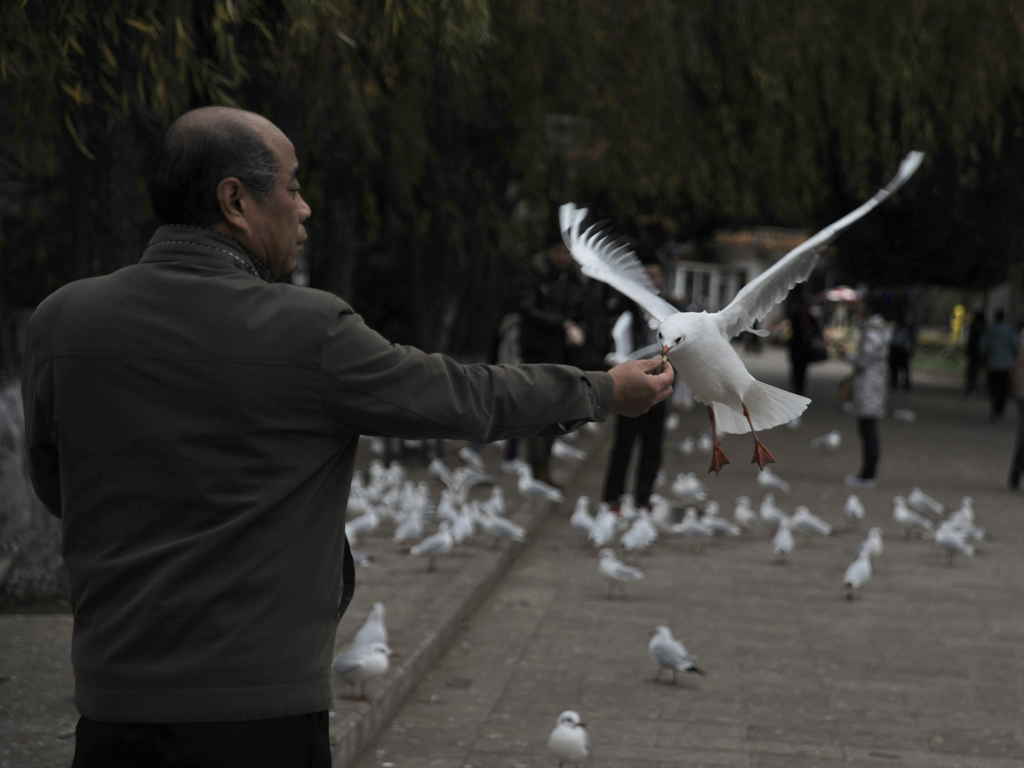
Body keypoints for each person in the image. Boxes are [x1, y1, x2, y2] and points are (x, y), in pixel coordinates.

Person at [20, 107, 675, 768]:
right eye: (294, 187)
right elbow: (461, 395)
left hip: (115, 708)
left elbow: (59, 484)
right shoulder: (308, 331)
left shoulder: (62, 322)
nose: (305, 210)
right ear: (234, 200)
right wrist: (599, 389)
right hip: (260, 710)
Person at [517, 230, 590, 488]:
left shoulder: (575, 278)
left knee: (554, 413)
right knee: (536, 412)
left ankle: (544, 469)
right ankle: (535, 468)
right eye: (559, 251)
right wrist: (563, 323)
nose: (563, 257)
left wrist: (577, 330)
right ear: (549, 251)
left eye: (567, 252)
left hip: (562, 355)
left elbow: (583, 310)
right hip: (536, 353)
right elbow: (527, 309)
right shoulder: (535, 273)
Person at [602, 258, 671, 511]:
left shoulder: (669, 308)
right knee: (624, 442)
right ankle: (613, 498)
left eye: (654, 275)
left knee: (653, 444)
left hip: (660, 382)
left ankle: (643, 498)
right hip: (631, 381)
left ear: (661, 278)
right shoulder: (626, 305)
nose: (650, 281)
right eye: (646, 275)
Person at [844, 292, 892, 488]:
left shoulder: (872, 331)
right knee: (868, 429)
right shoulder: (877, 328)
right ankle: (867, 473)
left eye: (862, 304)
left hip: (869, 385)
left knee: (868, 430)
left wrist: (846, 356)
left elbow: (865, 360)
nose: (858, 307)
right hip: (873, 384)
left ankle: (868, 474)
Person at [979, 309, 1019, 419]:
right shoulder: (1009, 330)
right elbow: (1016, 346)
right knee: (1002, 389)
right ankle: (999, 410)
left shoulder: (991, 330)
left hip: (993, 364)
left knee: (993, 388)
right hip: (1006, 364)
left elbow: (982, 345)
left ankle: (994, 407)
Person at [786, 294, 824, 397]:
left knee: (801, 370)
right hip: (797, 348)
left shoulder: (809, 318)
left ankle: (799, 389)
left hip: (804, 349)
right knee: (796, 370)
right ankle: (796, 388)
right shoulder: (797, 316)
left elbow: (817, 332)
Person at [964, 303, 987, 398]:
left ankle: (970, 389)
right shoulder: (982, 328)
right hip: (978, 353)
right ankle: (972, 389)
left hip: (973, 353)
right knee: (975, 372)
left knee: (971, 372)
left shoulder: (974, 326)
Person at [888, 310, 914, 391]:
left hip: (902, 351)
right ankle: (894, 383)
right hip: (897, 350)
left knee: (904, 369)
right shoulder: (895, 329)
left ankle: (905, 384)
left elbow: (908, 342)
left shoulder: (905, 330)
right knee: (895, 369)